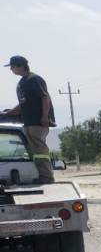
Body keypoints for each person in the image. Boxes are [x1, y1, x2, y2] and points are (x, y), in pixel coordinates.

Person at [2, 56, 56, 184]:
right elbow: (23, 104)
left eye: (12, 66)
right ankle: (42, 175)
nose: (11, 69)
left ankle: (47, 176)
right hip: (28, 122)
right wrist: (8, 113)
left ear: (21, 66)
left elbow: (44, 98)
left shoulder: (34, 79)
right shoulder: (23, 82)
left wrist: (44, 117)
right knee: (35, 151)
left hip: (37, 122)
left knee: (40, 150)